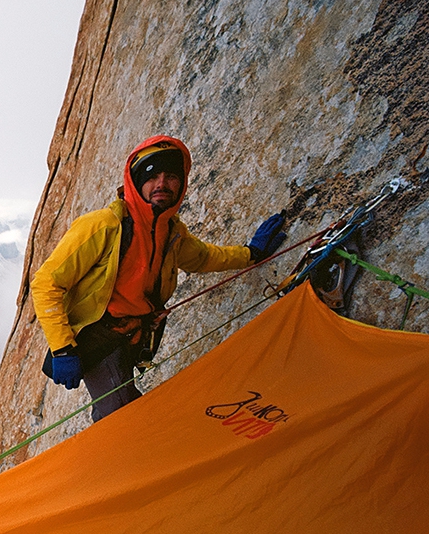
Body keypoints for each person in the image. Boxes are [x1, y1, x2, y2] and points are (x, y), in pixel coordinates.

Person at [31, 135, 286, 421]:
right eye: (153, 176)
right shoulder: (103, 226)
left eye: (172, 176)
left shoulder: (171, 231)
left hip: (134, 336)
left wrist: (250, 254)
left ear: (182, 184)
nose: (162, 184)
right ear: (137, 181)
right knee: (119, 416)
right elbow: (46, 283)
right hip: (100, 338)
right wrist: (63, 347)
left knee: (122, 407)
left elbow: (203, 257)